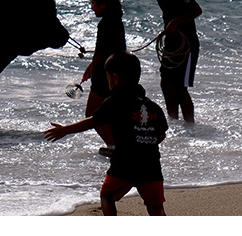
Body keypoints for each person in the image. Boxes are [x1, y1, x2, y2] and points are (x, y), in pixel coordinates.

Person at [44, 51, 169, 216]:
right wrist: (143, 142)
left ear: (115, 78)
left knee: (107, 196)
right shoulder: (153, 106)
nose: (108, 81)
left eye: (108, 77)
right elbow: (161, 134)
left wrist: (65, 129)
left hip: (124, 165)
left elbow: (93, 121)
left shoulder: (115, 102)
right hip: (151, 167)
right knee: (156, 207)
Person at [127, 0, 202, 123]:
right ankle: (173, 120)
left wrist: (175, 22)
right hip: (172, 42)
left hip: (187, 44)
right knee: (166, 83)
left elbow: (196, 10)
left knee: (180, 87)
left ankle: (190, 124)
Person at [80, 0, 126, 154]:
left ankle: (113, 146)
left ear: (103, 4)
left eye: (93, 3)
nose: (92, 7)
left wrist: (94, 68)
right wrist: (92, 66)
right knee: (113, 113)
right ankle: (119, 145)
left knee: (93, 114)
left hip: (104, 74)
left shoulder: (105, 24)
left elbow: (100, 52)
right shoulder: (117, 21)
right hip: (119, 71)